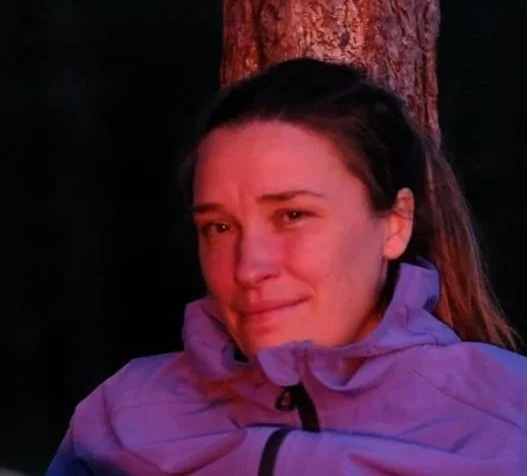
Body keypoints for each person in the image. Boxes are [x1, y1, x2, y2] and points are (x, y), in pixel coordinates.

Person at [46, 58, 527, 475]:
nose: (248, 269)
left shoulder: (507, 413)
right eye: (219, 227)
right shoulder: (123, 415)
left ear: (395, 224)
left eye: (293, 215)